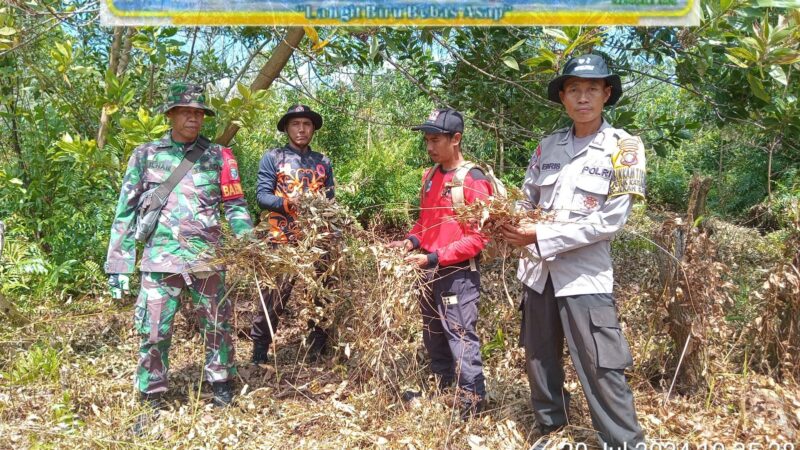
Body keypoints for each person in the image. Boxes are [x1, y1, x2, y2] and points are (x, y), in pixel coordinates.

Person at [500, 54, 647, 448]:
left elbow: (611, 220)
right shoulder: (546, 146)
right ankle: (553, 432)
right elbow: (525, 198)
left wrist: (540, 236)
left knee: (602, 365)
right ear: (563, 97)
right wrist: (508, 221)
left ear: (607, 94)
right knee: (539, 359)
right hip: (537, 272)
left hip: (585, 277)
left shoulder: (625, 147)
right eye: (574, 90)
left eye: (592, 89)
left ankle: (624, 442)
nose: (583, 97)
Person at [105, 83, 254, 431]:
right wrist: (119, 264)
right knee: (153, 330)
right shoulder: (146, 155)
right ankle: (151, 394)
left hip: (206, 258)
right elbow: (125, 211)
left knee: (219, 326)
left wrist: (249, 241)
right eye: (186, 111)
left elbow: (234, 203)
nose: (193, 118)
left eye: (199, 113)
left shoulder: (220, 155)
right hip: (160, 261)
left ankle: (221, 384)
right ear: (170, 114)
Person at [389, 108, 492, 420]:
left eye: (436, 140)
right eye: (427, 140)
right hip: (428, 271)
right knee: (433, 333)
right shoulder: (431, 176)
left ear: (456, 139)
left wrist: (434, 257)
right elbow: (425, 223)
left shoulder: (473, 180)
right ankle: (446, 389)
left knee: (460, 336)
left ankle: (472, 402)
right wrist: (410, 241)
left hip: (457, 274)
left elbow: (478, 239)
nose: (430, 147)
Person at [250, 104, 335, 364]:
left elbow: (330, 200)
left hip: (317, 240)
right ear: (287, 128)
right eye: (296, 124)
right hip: (281, 239)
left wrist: (334, 231)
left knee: (320, 293)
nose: (301, 129)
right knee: (274, 296)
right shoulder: (273, 157)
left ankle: (317, 347)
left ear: (313, 129)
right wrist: (288, 204)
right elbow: (262, 196)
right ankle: (260, 350)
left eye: (306, 124)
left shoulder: (323, 162)